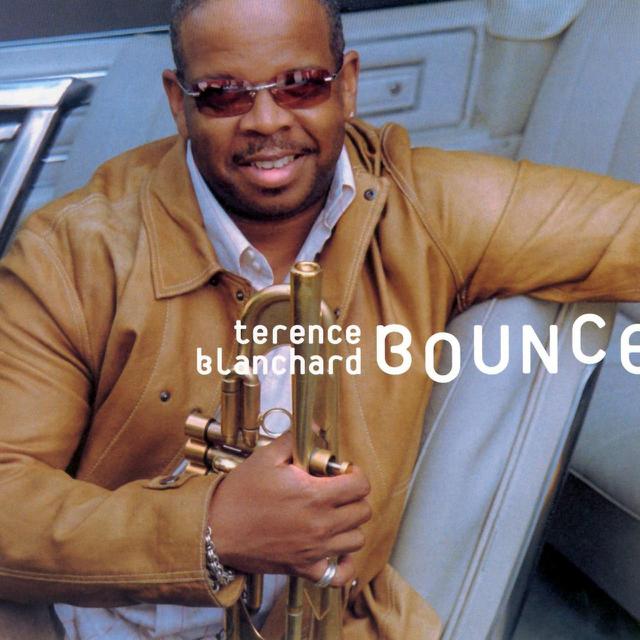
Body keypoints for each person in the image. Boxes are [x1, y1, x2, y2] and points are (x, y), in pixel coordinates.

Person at [0, 0, 639, 638]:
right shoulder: (74, 251)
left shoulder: (426, 210)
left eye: (301, 84)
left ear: (348, 85)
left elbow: (625, 233)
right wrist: (211, 529)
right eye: (224, 95)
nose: (267, 120)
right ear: (179, 101)